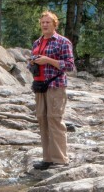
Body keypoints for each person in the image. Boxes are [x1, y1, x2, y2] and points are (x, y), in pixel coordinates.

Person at [29, 11, 75, 170]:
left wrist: (48, 60)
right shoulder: (36, 43)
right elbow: (33, 64)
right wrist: (32, 63)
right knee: (42, 119)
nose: (45, 25)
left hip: (56, 85)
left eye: (48, 22)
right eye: (42, 22)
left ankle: (61, 159)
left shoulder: (63, 42)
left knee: (54, 120)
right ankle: (47, 158)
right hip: (39, 85)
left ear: (55, 24)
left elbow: (69, 65)